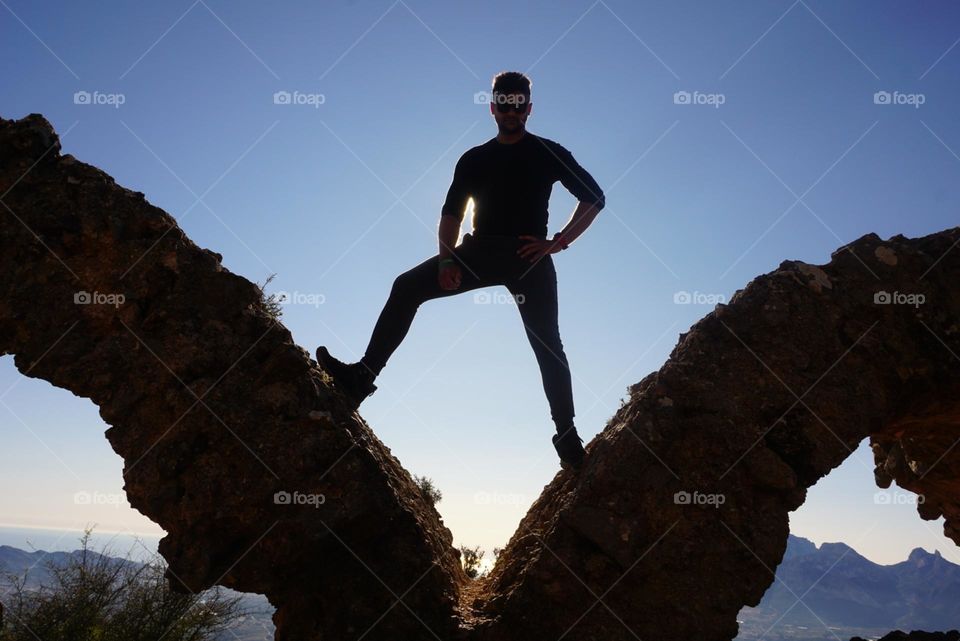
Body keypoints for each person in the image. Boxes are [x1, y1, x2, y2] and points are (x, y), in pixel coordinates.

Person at [316, 71, 605, 469]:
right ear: (492, 107)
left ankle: (567, 436)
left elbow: (594, 197)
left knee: (547, 345)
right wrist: (448, 258)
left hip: (529, 259)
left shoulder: (548, 152)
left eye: (519, 103)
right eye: (504, 103)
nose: (511, 110)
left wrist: (558, 242)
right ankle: (360, 380)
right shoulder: (475, 158)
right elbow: (452, 212)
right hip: (479, 252)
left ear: (529, 108)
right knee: (406, 287)